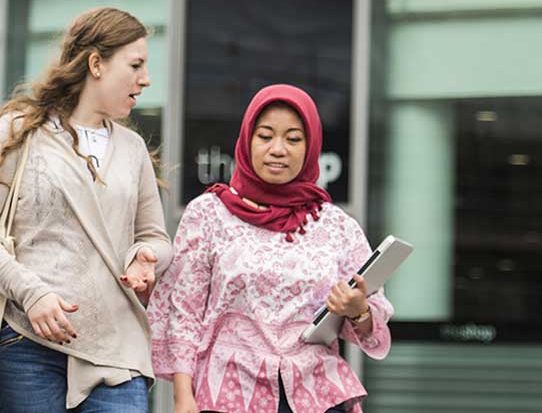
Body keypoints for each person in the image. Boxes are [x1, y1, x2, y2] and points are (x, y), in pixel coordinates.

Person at [0, 7, 172, 412]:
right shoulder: (19, 132)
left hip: (116, 346)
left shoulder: (133, 149)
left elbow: (155, 237)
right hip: (26, 343)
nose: (145, 80)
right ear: (96, 64)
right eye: (136, 65)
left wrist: (147, 259)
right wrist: (32, 294)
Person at [148, 84, 393, 413]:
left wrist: (358, 309)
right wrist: (182, 396)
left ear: (311, 147)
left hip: (316, 394)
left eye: (293, 139)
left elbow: (372, 323)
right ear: (247, 141)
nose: (278, 149)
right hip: (229, 394)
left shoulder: (336, 225)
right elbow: (184, 312)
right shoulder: (207, 214)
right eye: (265, 136)